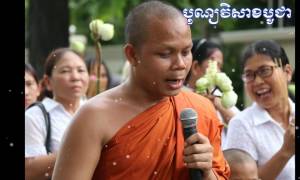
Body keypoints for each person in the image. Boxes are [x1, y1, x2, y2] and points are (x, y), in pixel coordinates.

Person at [52, 1, 230, 180]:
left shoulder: (200, 110)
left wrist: (207, 172)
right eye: (165, 54)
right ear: (132, 54)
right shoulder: (94, 117)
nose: (180, 65)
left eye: (186, 52)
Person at [224, 40, 295, 180]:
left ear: (287, 72)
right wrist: (285, 152)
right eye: (249, 75)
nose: (257, 81)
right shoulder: (241, 124)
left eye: (265, 71)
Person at [25, 48, 89, 180]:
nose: (76, 77)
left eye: (81, 70)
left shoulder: (96, 111)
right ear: (48, 82)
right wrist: (75, 150)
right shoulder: (35, 116)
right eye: (65, 71)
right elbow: (29, 171)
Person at [184, 38, 240, 148]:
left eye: (220, 66)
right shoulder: (181, 94)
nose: (218, 71)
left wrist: (218, 104)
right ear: (195, 67)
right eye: (214, 64)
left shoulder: (219, 95)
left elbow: (240, 126)